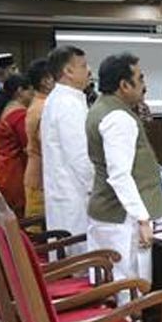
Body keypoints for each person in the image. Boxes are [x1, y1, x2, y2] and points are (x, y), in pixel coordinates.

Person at [85, 53, 162, 304]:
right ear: (124, 85)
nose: (144, 84)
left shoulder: (101, 107)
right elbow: (119, 175)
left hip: (109, 212)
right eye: (140, 78)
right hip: (122, 218)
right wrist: (142, 219)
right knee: (129, 287)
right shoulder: (118, 118)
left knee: (115, 285)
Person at [42, 45, 93, 253]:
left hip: (66, 192)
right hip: (74, 195)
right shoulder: (67, 103)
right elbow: (80, 157)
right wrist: (100, 188)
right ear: (68, 71)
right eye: (83, 66)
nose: (89, 70)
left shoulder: (63, 98)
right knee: (79, 256)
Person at [0, 74, 35, 216]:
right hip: (13, 172)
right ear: (20, 91)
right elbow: (28, 145)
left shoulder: (7, 109)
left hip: (1, 169)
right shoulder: (19, 115)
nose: (32, 96)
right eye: (30, 91)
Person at [23, 59, 54, 219]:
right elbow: (47, 143)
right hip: (39, 178)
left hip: (39, 174)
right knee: (38, 228)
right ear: (45, 81)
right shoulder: (43, 107)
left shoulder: (40, 103)